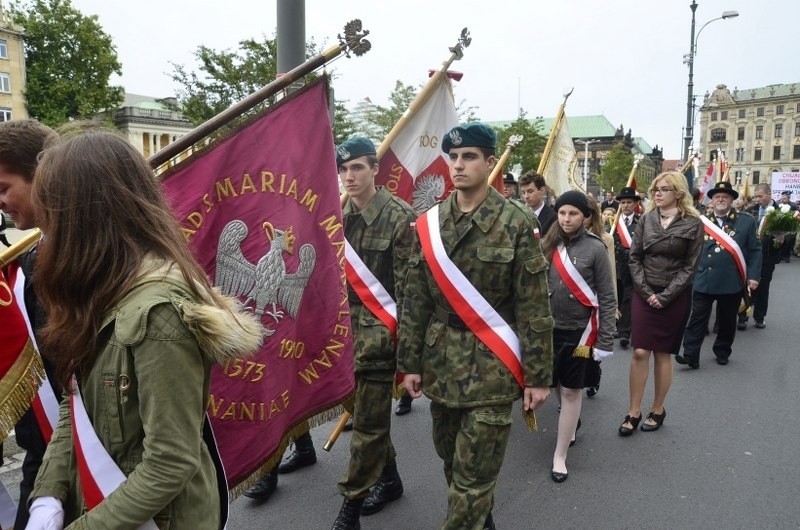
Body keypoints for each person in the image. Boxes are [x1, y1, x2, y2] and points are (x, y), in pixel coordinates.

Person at [25, 129, 263, 528]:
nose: (46, 233)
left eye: (52, 216)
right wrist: (46, 499)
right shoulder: (101, 292)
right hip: (109, 505)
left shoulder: (159, 312)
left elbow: (170, 462)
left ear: (83, 219)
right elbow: (76, 402)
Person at [398, 122, 552, 530]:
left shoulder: (516, 222)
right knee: (452, 463)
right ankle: (480, 519)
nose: (459, 165)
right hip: (441, 363)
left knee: (473, 479)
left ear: (489, 162)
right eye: (453, 157)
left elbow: (534, 306)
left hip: (492, 369)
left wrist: (538, 377)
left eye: (469, 157)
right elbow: (415, 299)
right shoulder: (428, 224)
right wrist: (409, 363)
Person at [331, 136, 415, 530]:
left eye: (357, 168)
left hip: (382, 339)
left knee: (366, 426)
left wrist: (410, 354)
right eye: (344, 169)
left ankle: (350, 507)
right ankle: (391, 478)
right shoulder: (334, 216)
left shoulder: (399, 217)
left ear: (374, 170)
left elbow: (412, 293)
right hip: (343, 338)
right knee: (372, 417)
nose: (349, 176)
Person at [0, 119, 60, 529]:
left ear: (43, 178)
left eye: (5, 188)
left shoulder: (62, 265)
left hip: (76, 455)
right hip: (45, 453)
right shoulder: (27, 257)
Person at [619, 171, 703, 436]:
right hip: (644, 294)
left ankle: (658, 408)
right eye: (656, 188)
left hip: (675, 296)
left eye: (664, 188)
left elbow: (690, 267)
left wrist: (665, 295)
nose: (657, 192)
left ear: (678, 193)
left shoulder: (693, 223)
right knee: (640, 352)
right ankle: (633, 411)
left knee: (663, 353)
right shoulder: (646, 219)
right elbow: (635, 258)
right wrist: (645, 292)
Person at [541, 191, 615, 482]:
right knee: (557, 385)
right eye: (561, 213)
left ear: (585, 216)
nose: (566, 219)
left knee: (572, 390)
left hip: (580, 332)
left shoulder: (596, 248)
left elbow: (608, 297)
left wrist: (605, 340)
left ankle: (560, 455)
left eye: (573, 214)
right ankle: (569, 423)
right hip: (549, 329)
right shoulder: (548, 244)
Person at [676, 181, 761, 368]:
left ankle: (722, 351)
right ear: (712, 200)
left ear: (732, 200)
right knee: (697, 318)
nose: (721, 199)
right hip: (703, 277)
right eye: (717, 197)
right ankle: (690, 355)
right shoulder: (700, 221)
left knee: (727, 320)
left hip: (731, 280)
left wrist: (753, 276)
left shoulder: (746, 221)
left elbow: (755, 250)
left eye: (725, 196)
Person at [583, 196, 617, 399]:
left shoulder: (605, 240)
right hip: (573, 301)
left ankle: (594, 372)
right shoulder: (561, 237)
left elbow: (610, 274)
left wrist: (613, 307)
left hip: (595, 299)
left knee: (593, 345)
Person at [741, 184, 781, 329]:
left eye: (760, 196)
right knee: (746, 286)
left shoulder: (780, 212)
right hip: (749, 255)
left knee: (763, 287)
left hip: (768, 255)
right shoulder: (750, 210)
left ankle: (759, 317)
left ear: (769, 194)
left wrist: (781, 240)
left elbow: (789, 235)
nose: (757, 199)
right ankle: (743, 316)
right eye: (756, 196)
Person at [612, 187, 641, 349]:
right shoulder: (613, 221)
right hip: (616, 264)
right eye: (623, 203)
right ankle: (616, 325)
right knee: (616, 295)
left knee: (628, 297)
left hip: (632, 266)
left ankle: (624, 331)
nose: (625, 206)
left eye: (629, 202)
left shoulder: (641, 221)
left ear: (635, 204)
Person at [519, 170, 556, 236]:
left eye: (530, 191)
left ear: (542, 190)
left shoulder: (553, 217)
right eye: (523, 192)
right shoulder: (520, 215)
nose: (526, 196)